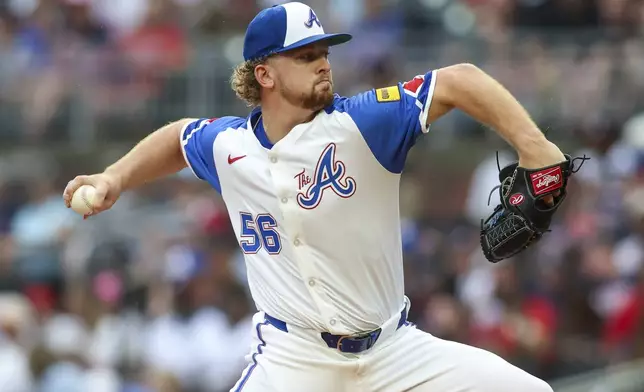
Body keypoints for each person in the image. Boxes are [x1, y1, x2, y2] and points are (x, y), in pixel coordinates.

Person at [63, 2, 564, 391]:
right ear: (265, 74)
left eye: (324, 53)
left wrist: (536, 148)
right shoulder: (230, 146)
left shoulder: (363, 123)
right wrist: (113, 178)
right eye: (305, 57)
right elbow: (178, 137)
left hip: (395, 353)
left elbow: (459, 81)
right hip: (294, 360)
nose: (323, 65)